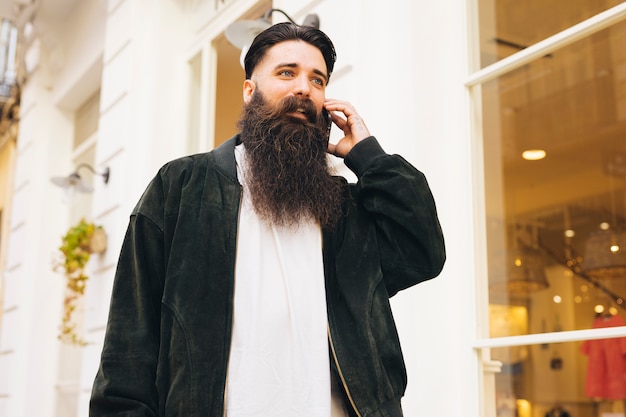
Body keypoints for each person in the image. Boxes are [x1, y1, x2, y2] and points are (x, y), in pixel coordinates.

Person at [89, 22, 446, 417]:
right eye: (286, 72)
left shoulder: (346, 209)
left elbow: (423, 253)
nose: (304, 89)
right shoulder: (182, 188)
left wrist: (369, 157)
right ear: (249, 91)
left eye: (318, 80)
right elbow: (128, 348)